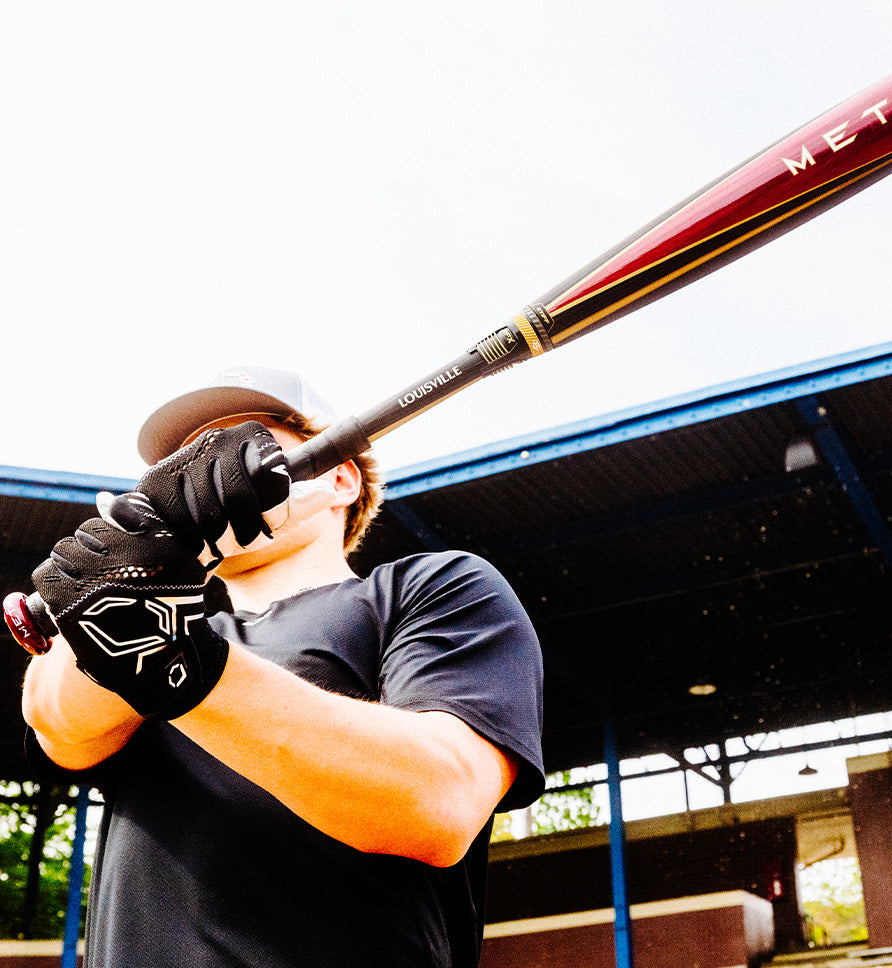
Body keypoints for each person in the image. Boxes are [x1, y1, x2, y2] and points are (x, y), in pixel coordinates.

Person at [18, 367, 545, 968]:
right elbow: (58, 721)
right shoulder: (174, 629)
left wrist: (184, 666)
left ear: (340, 479)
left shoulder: (431, 585)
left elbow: (439, 801)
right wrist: (137, 589)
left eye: (240, 448)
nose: (202, 476)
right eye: (184, 467)